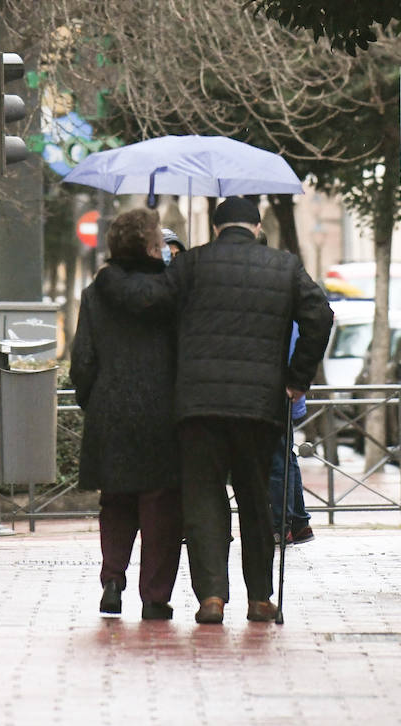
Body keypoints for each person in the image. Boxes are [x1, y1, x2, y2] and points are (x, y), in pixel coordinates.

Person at [95, 195, 332, 626]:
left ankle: (212, 598)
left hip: (198, 407)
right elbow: (320, 314)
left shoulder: (191, 265)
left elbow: (147, 299)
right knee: (257, 500)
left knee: (205, 500)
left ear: (217, 228)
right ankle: (260, 597)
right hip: (260, 406)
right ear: (256, 228)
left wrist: (110, 277)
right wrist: (297, 378)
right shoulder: (285, 266)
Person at [70, 207, 183, 621]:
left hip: (110, 409)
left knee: (115, 501)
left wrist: (94, 400)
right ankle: (154, 597)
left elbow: (83, 360)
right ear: (152, 246)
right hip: (164, 411)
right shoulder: (174, 294)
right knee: (161, 507)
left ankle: (113, 581)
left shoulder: (95, 294)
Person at [269, 326, 313, 545]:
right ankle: (298, 523)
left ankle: (281, 525)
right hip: (287, 393)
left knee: (278, 460)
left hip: (279, 394)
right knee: (285, 456)